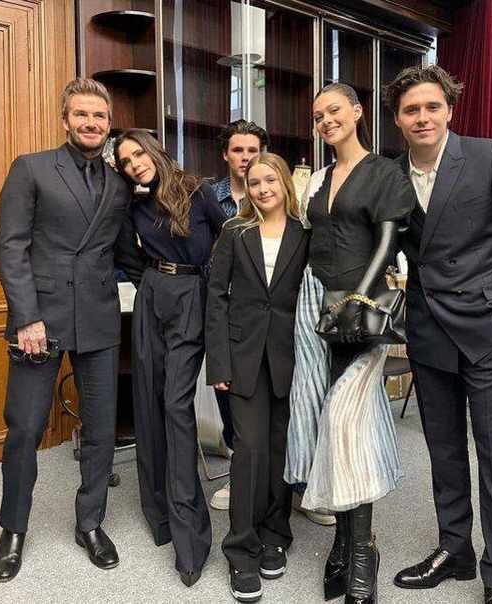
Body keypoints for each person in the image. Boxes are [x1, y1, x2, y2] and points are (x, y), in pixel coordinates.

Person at [383, 65, 492, 604]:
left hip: (490, 332)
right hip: (429, 332)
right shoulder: (389, 174)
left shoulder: (491, 157)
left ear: (449, 110)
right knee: (445, 454)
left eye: (432, 106)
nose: (422, 117)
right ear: (397, 119)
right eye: (411, 110)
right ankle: (454, 551)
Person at [0, 78, 145, 582]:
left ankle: (90, 523)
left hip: (99, 317)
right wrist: (26, 317)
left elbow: (125, 253)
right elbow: (11, 246)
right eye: (81, 114)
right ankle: (13, 529)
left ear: (109, 123)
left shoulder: (119, 184)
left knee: (100, 429)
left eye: (99, 116)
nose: (91, 123)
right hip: (40, 320)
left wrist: (176, 279)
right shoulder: (31, 168)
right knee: (25, 428)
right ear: (65, 120)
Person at [285, 82, 417, 604]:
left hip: (359, 313)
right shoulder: (318, 179)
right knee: (325, 424)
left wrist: (357, 300)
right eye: (318, 116)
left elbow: (387, 242)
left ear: (357, 112)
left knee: (348, 425)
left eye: (334, 111)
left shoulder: (384, 171)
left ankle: (362, 553)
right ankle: (342, 543)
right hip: (315, 308)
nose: (325, 121)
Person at [114, 129, 224, 587]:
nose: (134, 164)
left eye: (138, 154)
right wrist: (153, 284)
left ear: (155, 150)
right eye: (125, 161)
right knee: (148, 403)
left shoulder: (198, 192)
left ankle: (190, 540)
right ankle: (158, 516)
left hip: (192, 296)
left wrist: (211, 298)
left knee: (176, 407)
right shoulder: (134, 206)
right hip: (152, 295)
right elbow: (126, 255)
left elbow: (227, 243)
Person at [205, 153, 309, 602]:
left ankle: (275, 535)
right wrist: (219, 364)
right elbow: (216, 297)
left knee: (279, 449)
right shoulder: (235, 231)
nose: (263, 188)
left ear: (285, 183)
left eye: (270, 180)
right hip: (242, 356)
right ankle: (241, 550)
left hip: (291, 357)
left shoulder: (305, 232)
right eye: (254, 182)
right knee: (248, 450)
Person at [208, 119, 269, 512]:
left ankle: (288, 480)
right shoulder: (209, 198)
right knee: (228, 395)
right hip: (225, 313)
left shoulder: (274, 191)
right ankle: (238, 471)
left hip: (268, 313)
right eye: (238, 150)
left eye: (252, 150)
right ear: (225, 155)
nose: (245, 158)